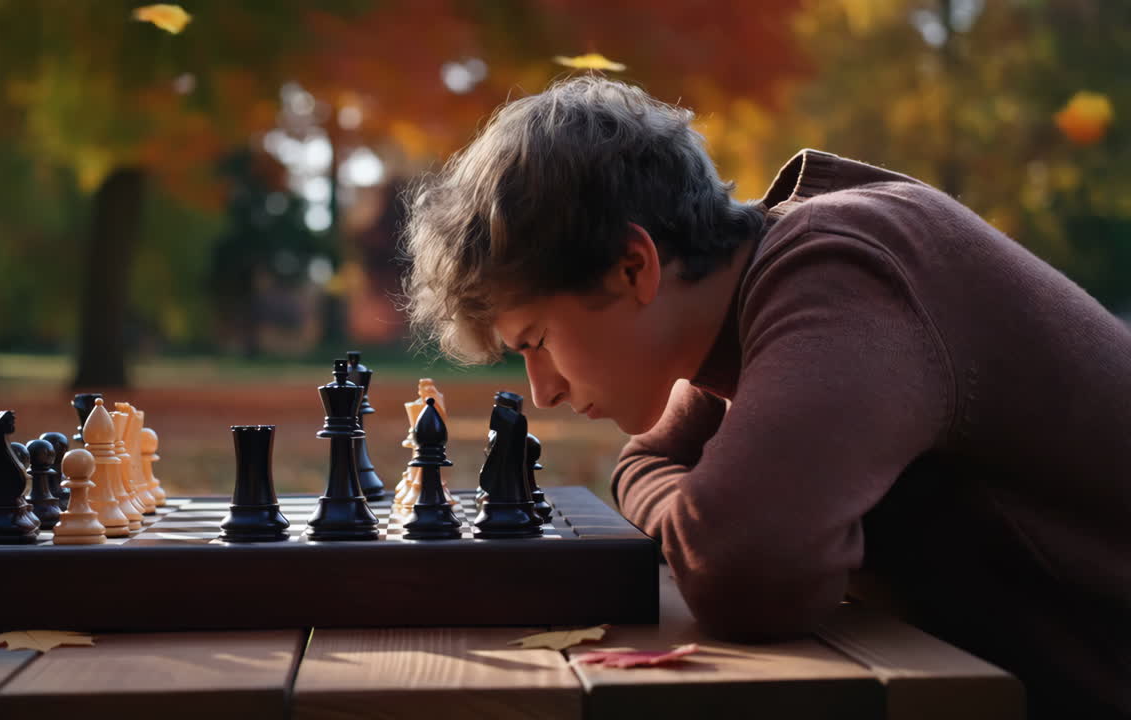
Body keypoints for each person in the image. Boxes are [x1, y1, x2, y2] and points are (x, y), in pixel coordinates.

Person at [400, 76, 1131, 717]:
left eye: (536, 341)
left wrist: (698, 508)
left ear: (633, 266)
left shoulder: (839, 277)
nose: (544, 391)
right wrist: (687, 500)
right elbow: (643, 462)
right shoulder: (738, 322)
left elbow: (747, 570)